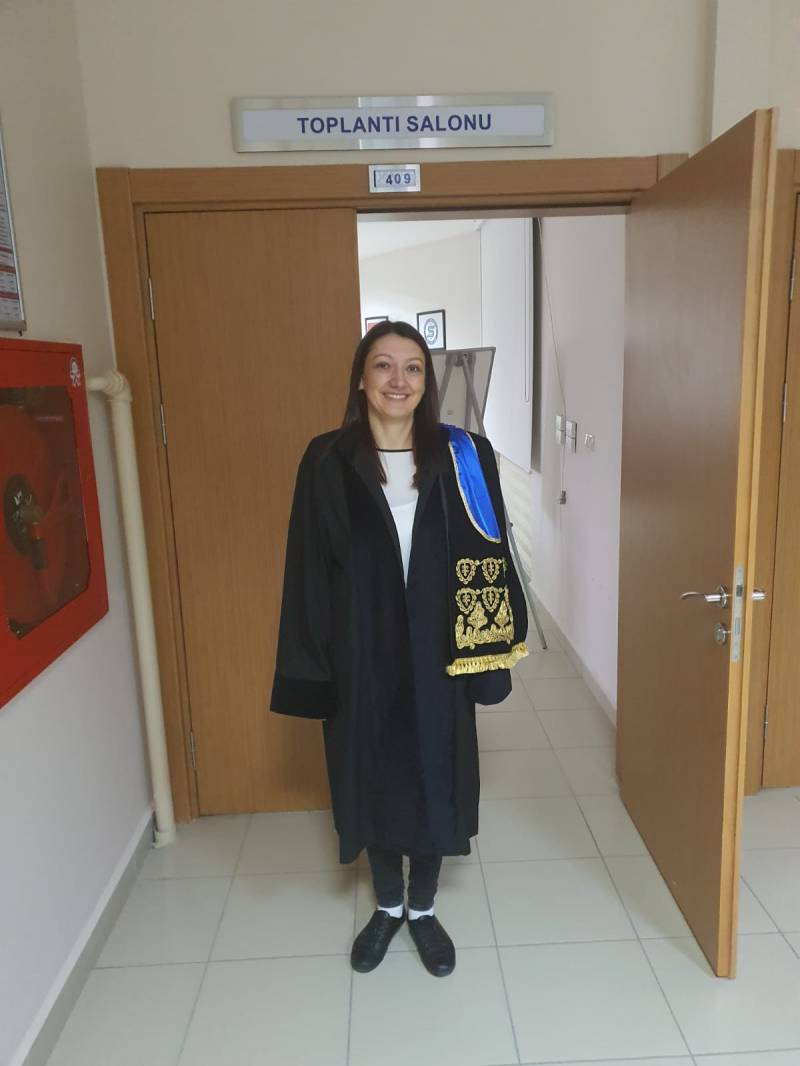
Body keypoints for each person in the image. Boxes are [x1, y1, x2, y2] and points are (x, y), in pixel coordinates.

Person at [270, 320, 528, 977]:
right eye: (383, 365)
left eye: (413, 367)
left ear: (425, 382)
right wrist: (312, 667)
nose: (398, 379)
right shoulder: (326, 460)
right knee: (372, 776)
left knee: (435, 775)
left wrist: (490, 658)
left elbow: (494, 555)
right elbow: (306, 567)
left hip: (440, 652)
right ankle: (388, 906)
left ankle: (424, 909)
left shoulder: (465, 455)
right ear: (361, 378)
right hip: (360, 652)